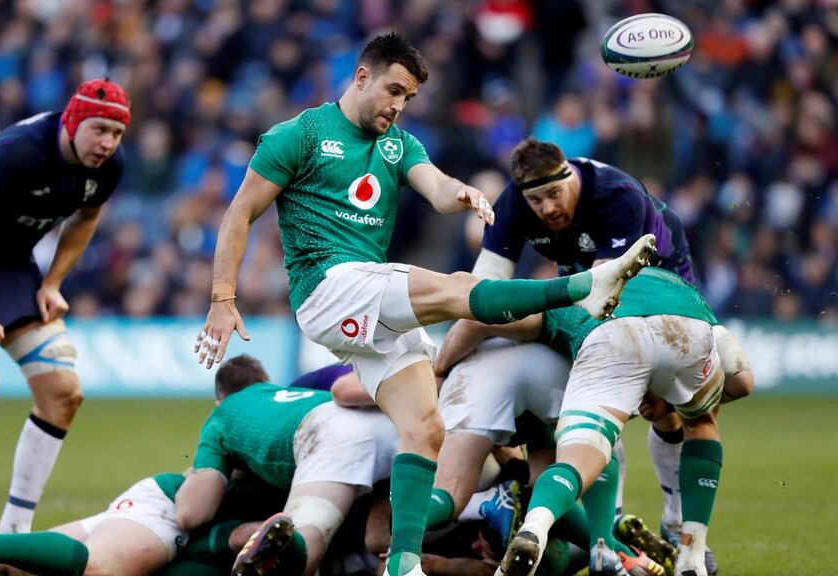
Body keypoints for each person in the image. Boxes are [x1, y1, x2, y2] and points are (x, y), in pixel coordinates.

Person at [192, 32, 656, 576]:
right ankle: (583, 288)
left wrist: (460, 193)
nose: (398, 105)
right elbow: (240, 212)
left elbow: (433, 186)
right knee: (458, 289)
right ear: (361, 76)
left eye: (408, 97)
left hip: (366, 304)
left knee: (425, 428)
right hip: (327, 284)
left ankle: (403, 564)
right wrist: (222, 297)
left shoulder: (399, 145)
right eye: (393, 90)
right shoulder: (299, 135)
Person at [440, 138, 750, 574]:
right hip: (609, 302)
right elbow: (481, 295)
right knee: (649, 405)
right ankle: (631, 533)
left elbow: (606, 293)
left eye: (554, 194)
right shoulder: (510, 205)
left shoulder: (617, 195)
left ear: (571, 176)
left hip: (659, 281)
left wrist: (439, 368)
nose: (547, 208)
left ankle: (658, 522)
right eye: (536, 200)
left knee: (668, 405)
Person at [0, 79, 130, 533]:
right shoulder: (18, 154)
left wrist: (53, 282)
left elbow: (86, 217)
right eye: (99, 130)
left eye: (117, 134)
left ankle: (13, 535)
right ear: (72, 122)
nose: (108, 143)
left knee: (63, 393)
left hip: (13, 263)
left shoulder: (108, 168)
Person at [491, 268, 733, 576]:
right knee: (701, 420)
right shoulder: (677, 285)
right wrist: (683, 397)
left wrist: (442, 367)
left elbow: (486, 316)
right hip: (688, 327)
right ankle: (692, 557)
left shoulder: (559, 298)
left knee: (582, 455)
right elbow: (743, 382)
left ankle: (539, 527)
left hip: (611, 338)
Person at [174, 354, 399, 576]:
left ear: (219, 401)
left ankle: (287, 549)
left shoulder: (223, 413)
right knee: (389, 539)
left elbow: (191, 514)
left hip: (329, 435)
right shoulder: (296, 393)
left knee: (307, 547)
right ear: (266, 382)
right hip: (392, 428)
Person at [0, 472, 286, 576]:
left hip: (162, 503)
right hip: (170, 510)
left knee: (14, 566)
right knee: (99, 568)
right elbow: (243, 535)